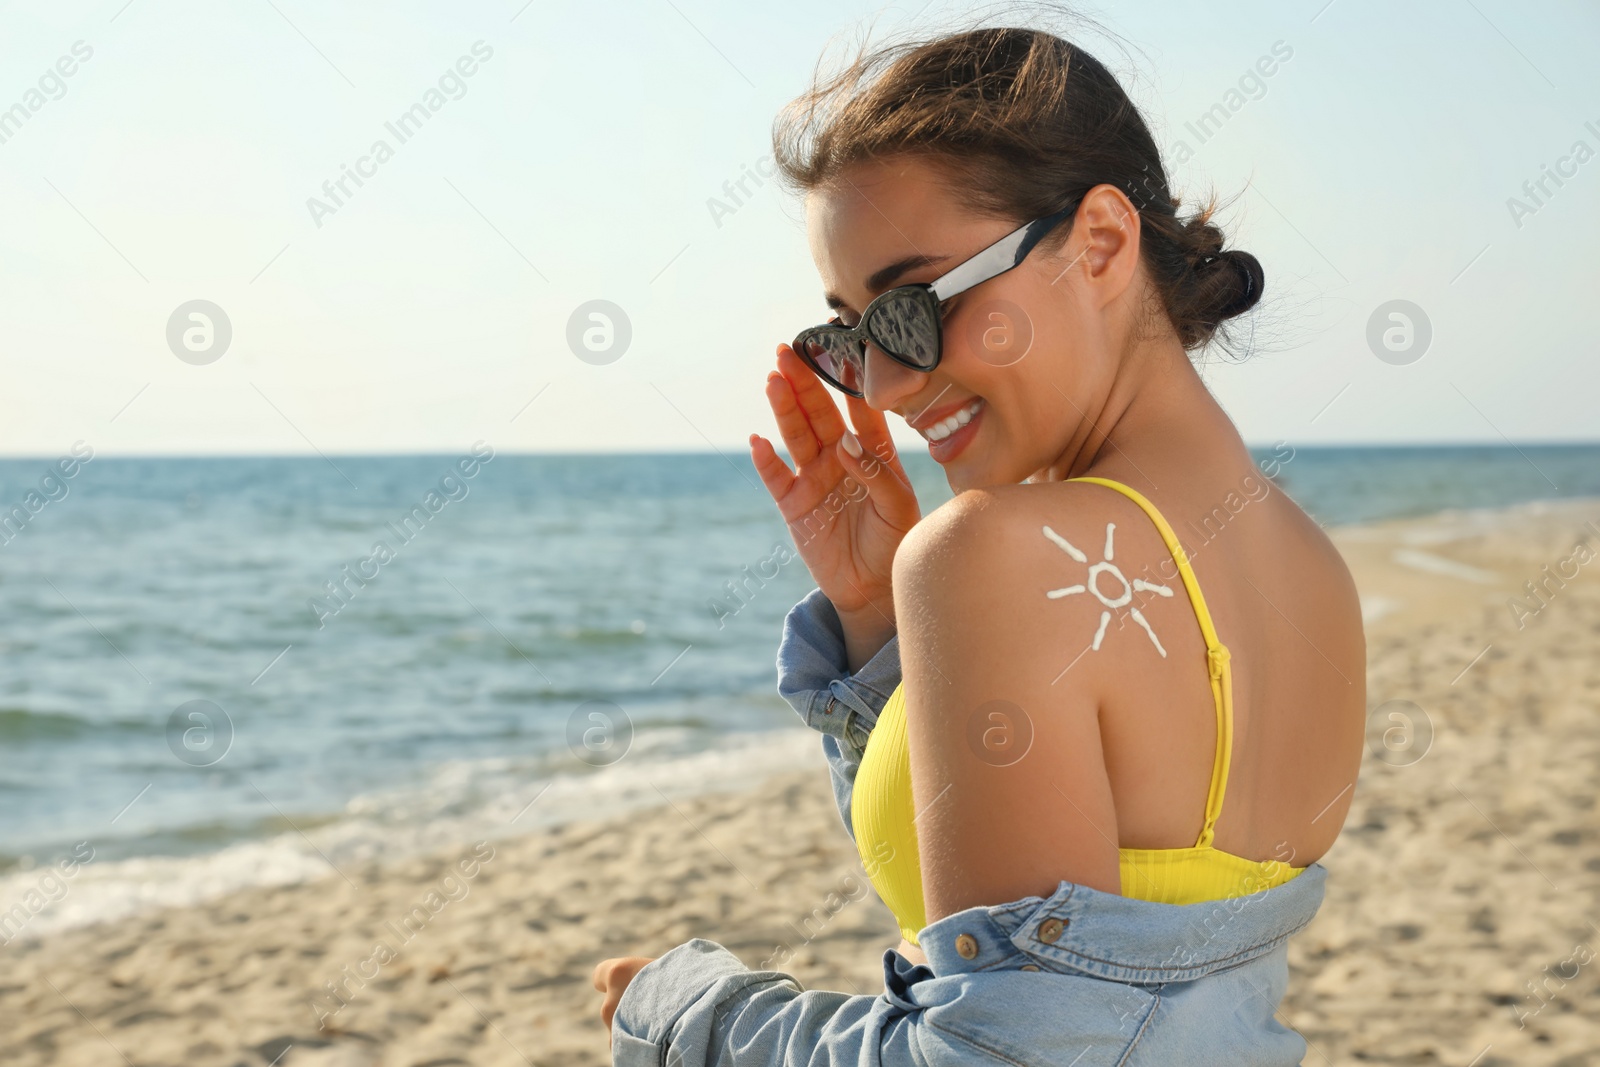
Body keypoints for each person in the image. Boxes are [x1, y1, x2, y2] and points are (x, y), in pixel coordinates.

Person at [592, 20, 1365, 1065]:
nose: (882, 384)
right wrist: (878, 627)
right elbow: (1141, 981)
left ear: (1098, 242)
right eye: (848, 338)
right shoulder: (1312, 569)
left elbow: (999, 1049)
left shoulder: (990, 553)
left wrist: (687, 1012)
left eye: (911, 308)